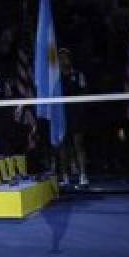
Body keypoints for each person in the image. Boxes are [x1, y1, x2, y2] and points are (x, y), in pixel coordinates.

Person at [57, 49, 89, 187]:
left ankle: (83, 175)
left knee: (78, 144)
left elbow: (84, 93)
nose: (64, 59)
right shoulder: (56, 78)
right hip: (61, 114)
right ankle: (65, 177)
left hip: (76, 113)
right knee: (63, 146)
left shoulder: (78, 74)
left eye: (66, 56)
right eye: (61, 57)